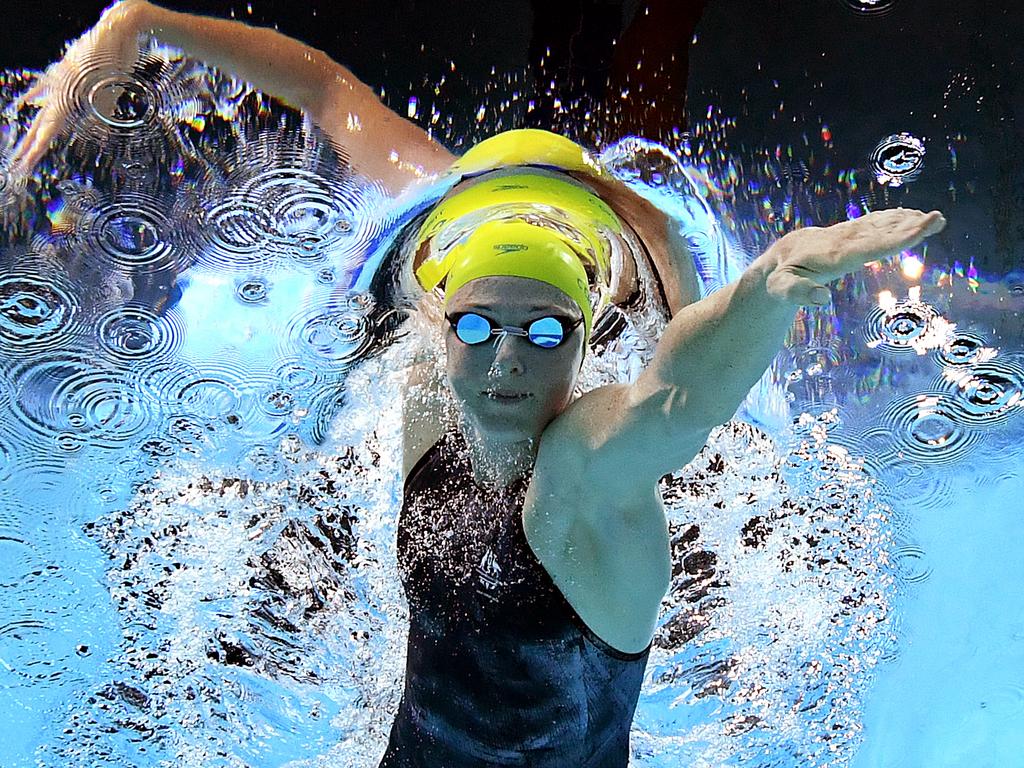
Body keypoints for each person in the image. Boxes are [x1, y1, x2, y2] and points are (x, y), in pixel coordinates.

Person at [7, 2, 947, 765]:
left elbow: (679, 393)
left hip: (621, 312)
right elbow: (323, 90)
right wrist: (139, 22)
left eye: (544, 334)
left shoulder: (608, 385)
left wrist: (777, 277)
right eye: (475, 326)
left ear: (586, 325)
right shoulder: (433, 329)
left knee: (646, 112)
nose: (505, 362)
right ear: (436, 305)